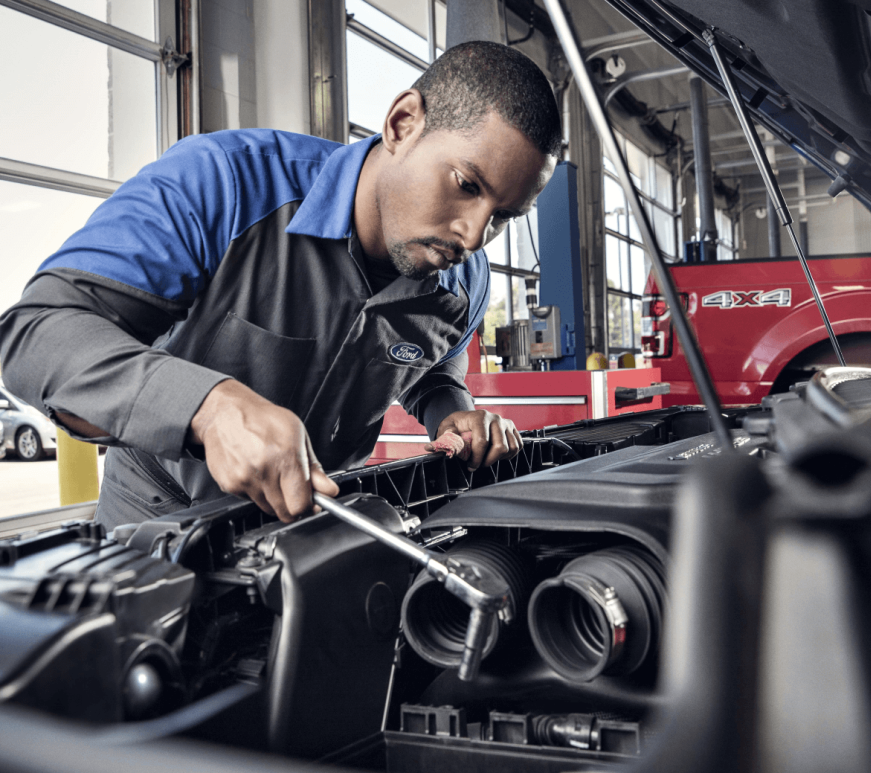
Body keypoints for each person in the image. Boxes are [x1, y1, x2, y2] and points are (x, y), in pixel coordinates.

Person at [0, 41, 562, 529]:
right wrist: (209, 408)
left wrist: (452, 410)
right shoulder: (222, 183)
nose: (473, 233)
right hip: (160, 520)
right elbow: (36, 332)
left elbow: (430, 366)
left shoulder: (464, 280)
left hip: (317, 524)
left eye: (504, 216)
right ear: (402, 124)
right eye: (466, 184)